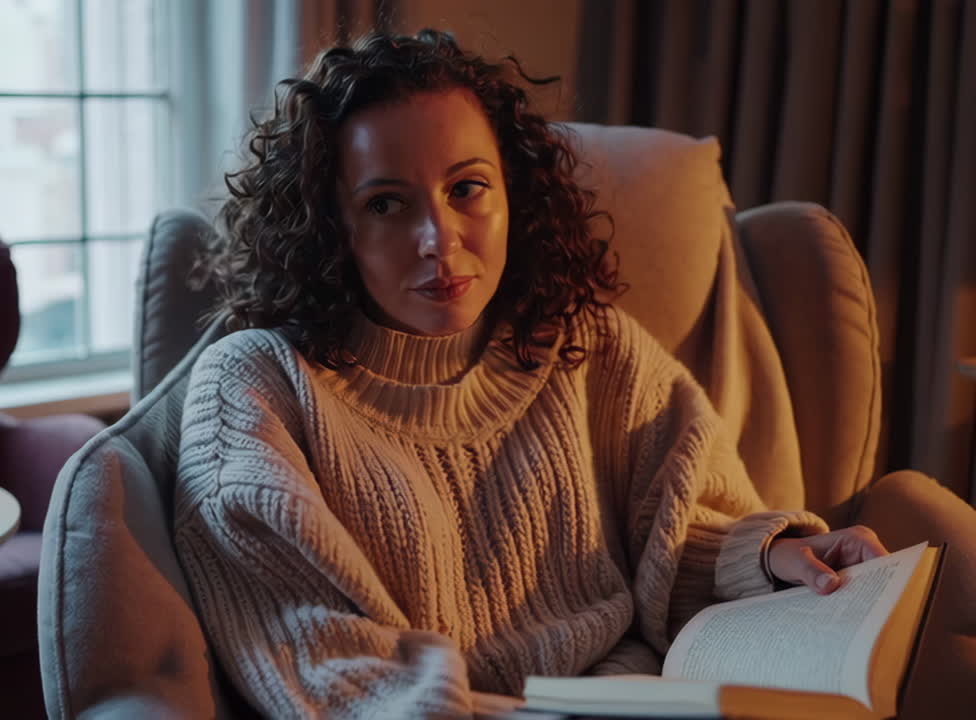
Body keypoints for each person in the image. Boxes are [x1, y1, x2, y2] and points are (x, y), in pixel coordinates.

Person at [174, 29, 888, 718]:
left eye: (467, 188)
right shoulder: (257, 384)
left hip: (637, 700)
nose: (439, 241)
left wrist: (772, 557)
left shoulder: (589, 345)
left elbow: (679, 528)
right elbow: (309, 650)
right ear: (331, 225)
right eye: (385, 204)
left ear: (513, 192)